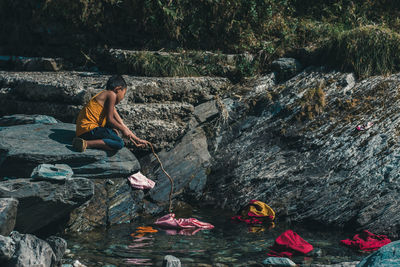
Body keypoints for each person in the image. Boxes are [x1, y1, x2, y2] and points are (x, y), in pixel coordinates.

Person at [72, 75, 149, 152]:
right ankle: (86, 144)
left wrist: (137, 140)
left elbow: (122, 124)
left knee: (114, 134)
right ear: (118, 89)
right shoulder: (111, 94)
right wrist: (122, 130)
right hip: (89, 130)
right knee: (119, 143)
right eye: (124, 94)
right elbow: (110, 120)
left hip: (82, 133)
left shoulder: (106, 98)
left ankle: (85, 142)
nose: (122, 98)